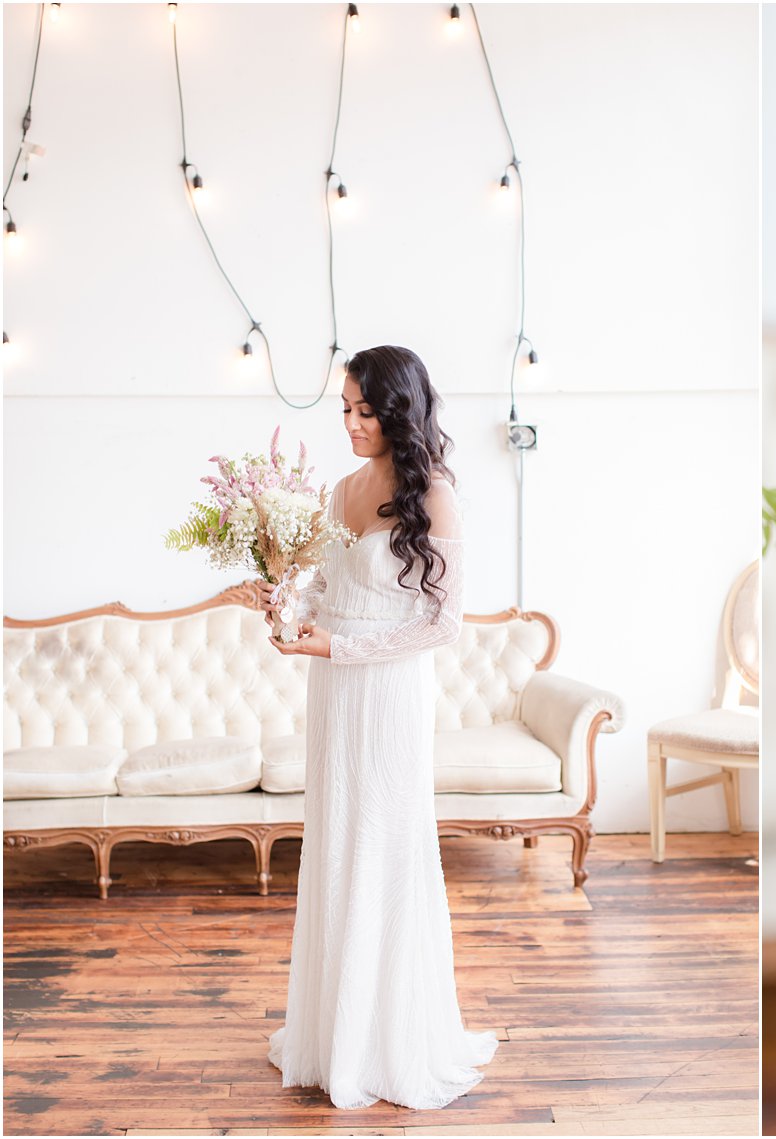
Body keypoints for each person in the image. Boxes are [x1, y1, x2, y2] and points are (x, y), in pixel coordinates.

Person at [254, 345, 498, 1110]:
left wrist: (346, 646)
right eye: (346, 410)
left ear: (397, 412)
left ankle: (388, 1036)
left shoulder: (437, 495)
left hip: (388, 692)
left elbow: (444, 623)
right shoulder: (339, 490)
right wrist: (286, 612)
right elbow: (328, 586)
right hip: (334, 688)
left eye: (365, 410)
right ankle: (332, 1034)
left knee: (384, 844)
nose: (352, 424)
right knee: (334, 842)